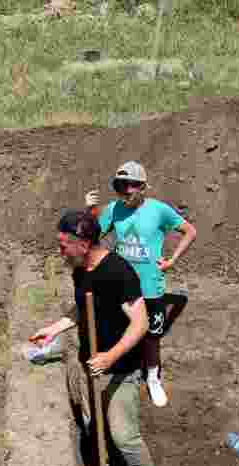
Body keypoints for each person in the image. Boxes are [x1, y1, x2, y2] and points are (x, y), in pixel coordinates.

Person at [30, 208, 165, 466]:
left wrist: (111, 356)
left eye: (64, 244)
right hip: (90, 363)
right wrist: (53, 329)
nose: (60, 250)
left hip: (119, 369)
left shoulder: (118, 272)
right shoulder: (80, 269)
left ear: (85, 242)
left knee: (124, 435)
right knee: (95, 426)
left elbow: (141, 323)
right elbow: (83, 309)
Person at [85, 161, 197, 407]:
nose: (126, 191)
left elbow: (189, 231)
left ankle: (153, 377)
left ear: (143, 187)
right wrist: (92, 210)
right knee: (123, 329)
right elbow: (93, 235)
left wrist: (172, 260)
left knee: (152, 337)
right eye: (120, 186)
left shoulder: (159, 210)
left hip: (150, 287)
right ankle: (127, 371)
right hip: (122, 287)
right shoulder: (114, 210)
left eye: (131, 186)